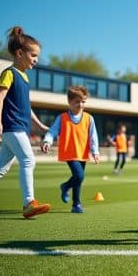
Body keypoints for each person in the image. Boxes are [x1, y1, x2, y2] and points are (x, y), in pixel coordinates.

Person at [0, 26, 50, 220]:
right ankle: (29, 203)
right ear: (20, 53)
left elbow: (26, 106)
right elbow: (0, 97)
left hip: (20, 128)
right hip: (11, 127)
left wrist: (39, 125)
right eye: (34, 55)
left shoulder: (25, 77)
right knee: (28, 160)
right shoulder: (9, 73)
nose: (36, 60)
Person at [41, 85, 101, 213]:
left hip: (82, 152)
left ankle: (75, 204)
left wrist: (95, 152)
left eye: (83, 102)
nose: (80, 104)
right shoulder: (62, 118)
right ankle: (66, 187)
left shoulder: (89, 118)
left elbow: (93, 136)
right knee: (79, 176)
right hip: (70, 152)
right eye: (77, 102)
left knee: (78, 178)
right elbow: (52, 131)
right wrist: (47, 141)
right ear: (69, 102)